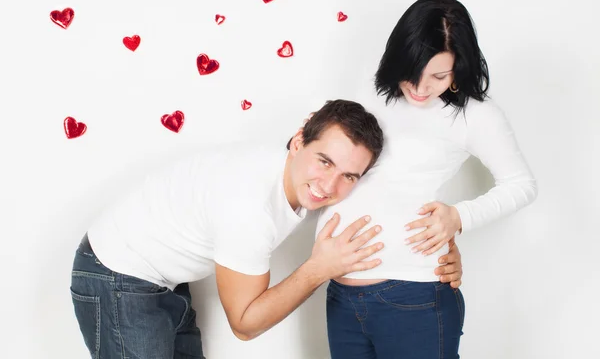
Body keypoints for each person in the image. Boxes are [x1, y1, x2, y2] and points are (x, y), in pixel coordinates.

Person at [70, 99, 464, 359]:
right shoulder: (249, 207)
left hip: (163, 277)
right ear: (298, 140)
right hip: (116, 274)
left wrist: (445, 238)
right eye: (324, 162)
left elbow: (385, 199)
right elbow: (244, 324)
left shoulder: (296, 169)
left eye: (348, 175)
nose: (329, 186)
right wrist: (317, 269)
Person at [317, 0, 538, 359]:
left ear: (459, 67)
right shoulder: (371, 90)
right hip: (340, 294)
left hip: (413, 295)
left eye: (438, 76)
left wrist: (459, 217)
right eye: (412, 73)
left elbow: (521, 185)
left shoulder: (476, 114)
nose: (420, 88)